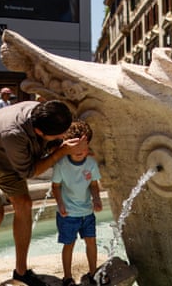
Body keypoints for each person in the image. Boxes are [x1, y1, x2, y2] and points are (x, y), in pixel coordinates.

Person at [0, 100, 87, 286]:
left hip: (10, 162)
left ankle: (21, 272)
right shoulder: (14, 132)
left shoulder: (43, 112)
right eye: (60, 134)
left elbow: (46, 147)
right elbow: (30, 172)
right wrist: (60, 152)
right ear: (41, 132)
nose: (64, 136)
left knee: (24, 205)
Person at [51, 120, 108, 286]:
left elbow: (93, 184)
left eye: (83, 148)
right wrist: (60, 204)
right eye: (75, 147)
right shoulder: (61, 165)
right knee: (69, 244)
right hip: (68, 213)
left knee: (91, 241)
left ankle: (93, 273)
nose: (80, 151)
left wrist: (96, 199)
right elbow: (55, 187)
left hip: (86, 212)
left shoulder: (90, 163)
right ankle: (67, 277)